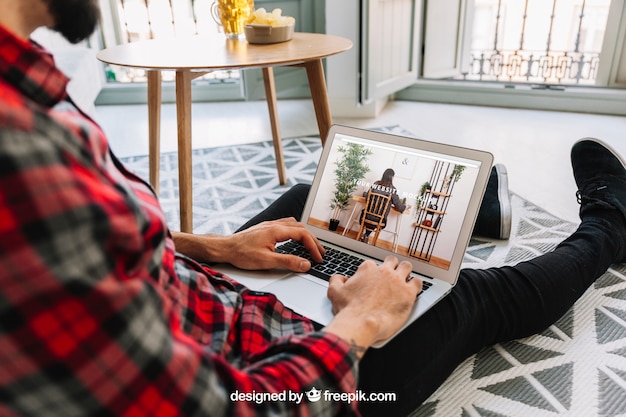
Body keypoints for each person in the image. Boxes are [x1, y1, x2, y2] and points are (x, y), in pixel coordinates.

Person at [1, 2, 625, 416]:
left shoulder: (24, 102)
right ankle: (611, 223)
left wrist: (214, 247)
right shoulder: (22, 161)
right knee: (474, 297)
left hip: (199, 294)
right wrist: (362, 323)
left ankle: (466, 209)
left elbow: (100, 244)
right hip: (294, 375)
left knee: (307, 209)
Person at [358, 168, 407, 243]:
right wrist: (405, 206)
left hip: (367, 216)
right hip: (380, 220)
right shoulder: (392, 189)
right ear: (392, 177)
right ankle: (366, 235)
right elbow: (399, 206)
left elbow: (367, 197)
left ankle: (366, 235)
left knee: (372, 216)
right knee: (378, 217)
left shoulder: (376, 184)